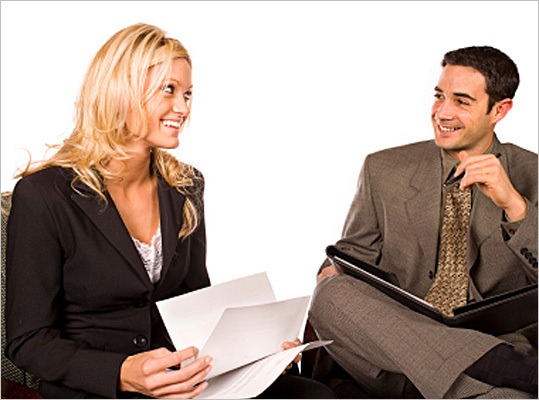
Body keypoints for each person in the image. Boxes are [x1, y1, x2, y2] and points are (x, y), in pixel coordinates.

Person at [5, 23, 335, 399]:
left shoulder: (185, 186)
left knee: (312, 395)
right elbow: (28, 341)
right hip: (98, 388)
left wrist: (258, 352)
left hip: (181, 380)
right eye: (169, 90)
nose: (183, 107)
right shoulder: (45, 195)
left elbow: (195, 305)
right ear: (122, 91)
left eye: (188, 93)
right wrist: (122, 373)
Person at [309, 46, 538, 398]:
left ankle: (478, 371)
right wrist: (331, 272)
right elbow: (351, 259)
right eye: (439, 96)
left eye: (461, 101)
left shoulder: (533, 174)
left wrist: (515, 206)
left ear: (499, 110)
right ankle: (499, 368)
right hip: (390, 357)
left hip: (487, 358)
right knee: (330, 293)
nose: (442, 112)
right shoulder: (383, 169)